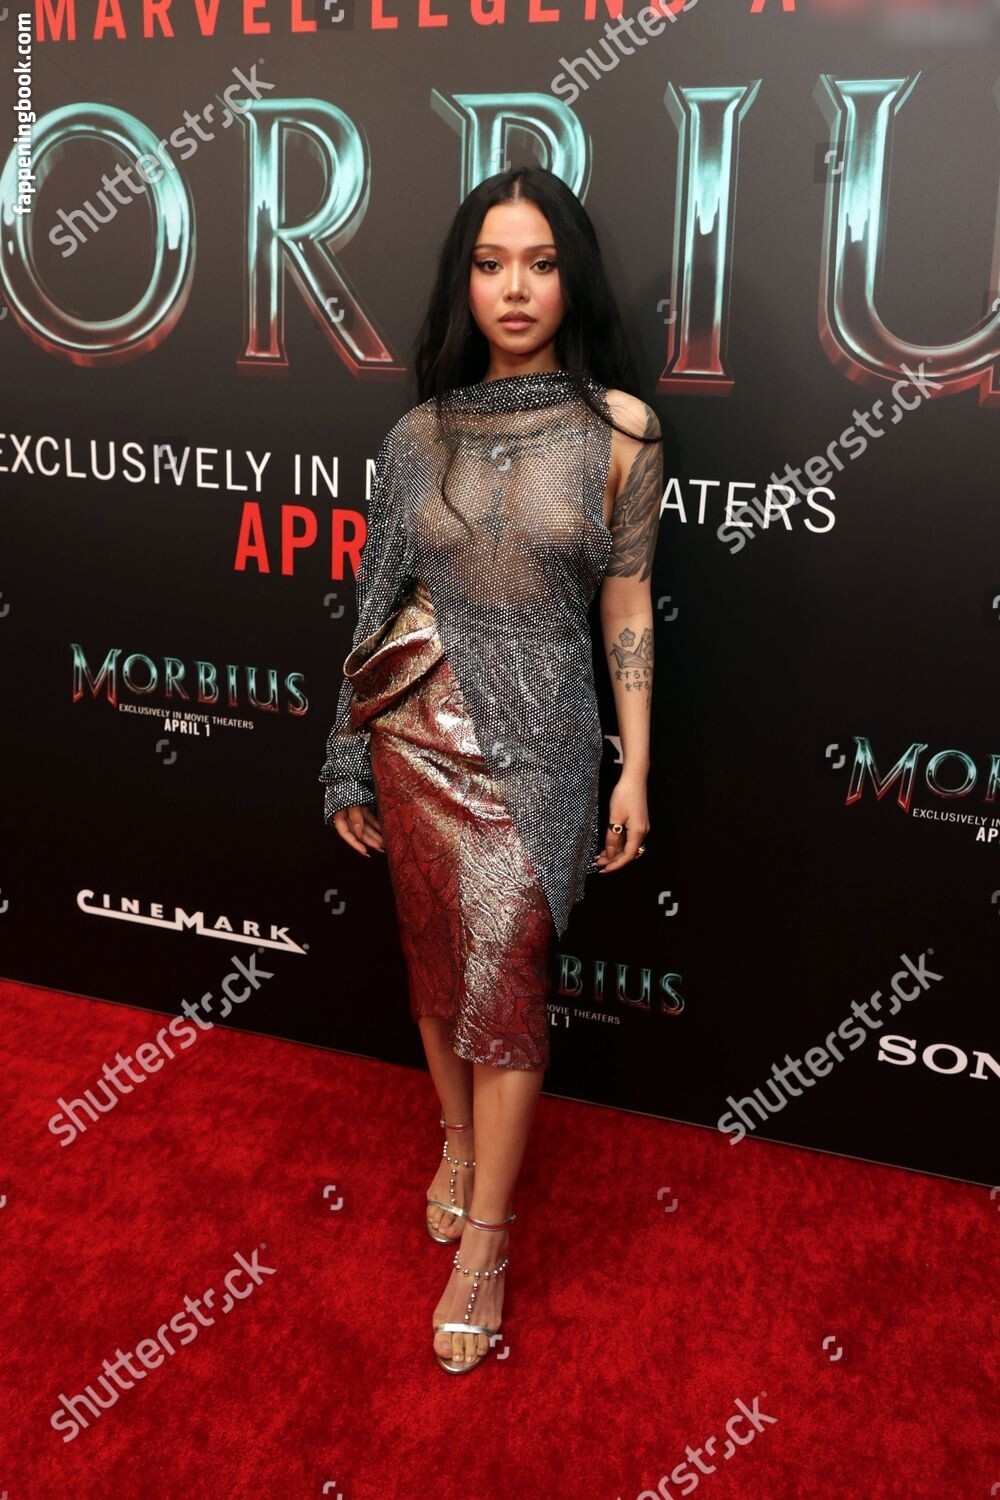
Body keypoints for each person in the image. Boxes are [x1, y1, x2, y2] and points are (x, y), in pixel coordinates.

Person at [318, 164, 663, 1374]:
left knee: (506, 980)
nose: (514, 287)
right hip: (414, 732)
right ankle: (455, 1137)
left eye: (540, 263)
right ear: (463, 283)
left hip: (547, 746)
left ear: (572, 280)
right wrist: (345, 752)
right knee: (434, 958)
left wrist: (633, 765)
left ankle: (487, 1247)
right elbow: (374, 599)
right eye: (490, 263)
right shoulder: (418, 436)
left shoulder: (623, 432)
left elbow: (628, 601)